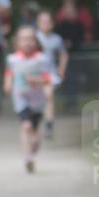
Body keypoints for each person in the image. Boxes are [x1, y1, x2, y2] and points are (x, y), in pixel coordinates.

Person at [4, 25, 53, 174]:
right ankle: (28, 158)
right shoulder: (12, 59)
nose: (27, 42)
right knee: (26, 126)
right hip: (21, 98)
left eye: (30, 39)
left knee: (35, 131)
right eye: (24, 39)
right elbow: (9, 73)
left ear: (36, 42)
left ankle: (34, 147)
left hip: (37, 100)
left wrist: (35, 81)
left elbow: (47, 80)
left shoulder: (41, 59)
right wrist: (6, 84)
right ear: (17, 42)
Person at [35, 10, 68, 139]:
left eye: (48, 22)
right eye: (42, 22)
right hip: (35, 75)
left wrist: (61, 70)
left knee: (48, 96)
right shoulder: (33, 38)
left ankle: (49, 124)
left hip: (49, 74)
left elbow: (63, 54)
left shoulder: (56, 39)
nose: (45, 24)